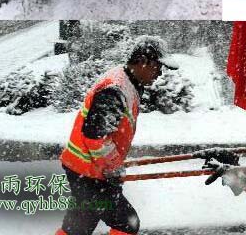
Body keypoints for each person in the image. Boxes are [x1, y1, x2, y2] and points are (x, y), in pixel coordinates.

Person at [55, 36, 178, 235]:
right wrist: (113, 167)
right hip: (89, 172)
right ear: (143, 62)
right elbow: (96, 138)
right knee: (128, 224)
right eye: (158, 67)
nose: (160, 73)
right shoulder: (116, 89)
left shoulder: (128, 81)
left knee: (78, 227)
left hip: (84, 168)